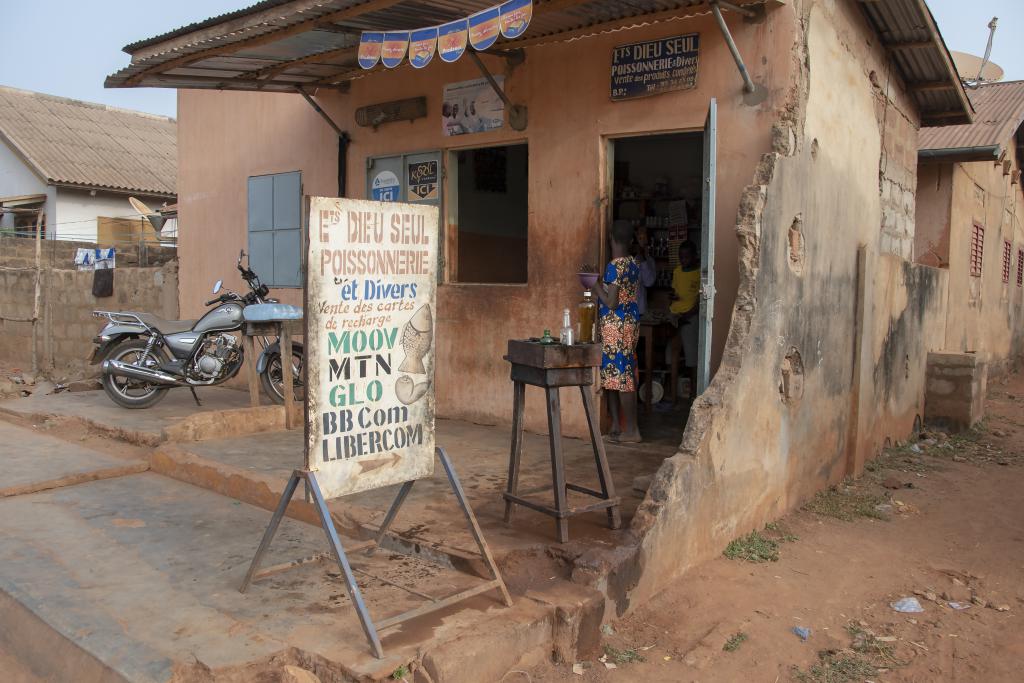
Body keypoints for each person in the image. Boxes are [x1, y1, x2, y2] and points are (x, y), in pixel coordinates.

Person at [596, 219, 642, 443]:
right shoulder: (634, 263)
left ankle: (631, 430)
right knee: (614, 376)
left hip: (617, 326)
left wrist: (594, 284)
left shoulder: (615, 266)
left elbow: (611, 302)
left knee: (622, 378)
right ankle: (616, 426)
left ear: (611, 238)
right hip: (629, 323)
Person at [671, 240, 700, 399]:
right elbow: (675, 292)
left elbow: (700, 301)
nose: (684, 260)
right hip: (676, 316)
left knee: (692, 359)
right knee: (673, 354)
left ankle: (695, 394)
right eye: (681, 257)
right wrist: (673, 297)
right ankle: (674, 393)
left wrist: (688, 315)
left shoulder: (699, 274)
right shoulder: (677, 272)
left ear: (695, 256)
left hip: (690, 317)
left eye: (687, 257)